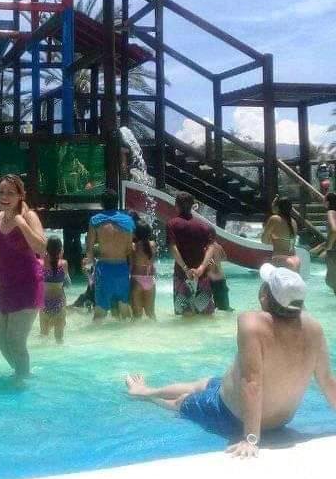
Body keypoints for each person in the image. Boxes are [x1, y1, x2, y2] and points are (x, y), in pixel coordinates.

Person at [125, 263, 336, 456]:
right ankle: (149, 390)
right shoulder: (314, 329)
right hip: (278, 420)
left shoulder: (252, 324)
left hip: (232, 417)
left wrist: (251, 438)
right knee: (207, 382)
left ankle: (146, 394)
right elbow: (327, 381)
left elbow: (252, 382)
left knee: (182, 401)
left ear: (264, 296)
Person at [0, 175, 46, 381]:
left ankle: (22, 381)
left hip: (28, 285)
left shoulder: (29, 216)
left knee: (16, 342)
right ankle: (24, 374)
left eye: (10, 193)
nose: (4, 197)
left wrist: (21, 223)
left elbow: (41, 248)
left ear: (21, 195)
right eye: (1, 192)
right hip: (5, 286)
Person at [86, 189, 134, 321]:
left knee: (100, 312)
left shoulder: (95, 220)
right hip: (122, 268)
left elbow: (89, 250)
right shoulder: (127, 220)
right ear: (117, 202)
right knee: (124, 309)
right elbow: (129, 249)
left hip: (104, 269)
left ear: (102, 204)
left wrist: (89, 269)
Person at [166, 192, 215, 316]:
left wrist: (185, 268)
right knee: (206, 314)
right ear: (192, 206)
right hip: (202, 275)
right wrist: (201, 268)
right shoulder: (204, 226)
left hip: (181, 275)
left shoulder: (172, 224)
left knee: (186, 315)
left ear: (176, 206)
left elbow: (172, 247)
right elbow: (211, 247)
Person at [40, 236, 71, 343]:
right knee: (59, 339)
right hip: (59, 303)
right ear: (60, 249)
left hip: (44, 303)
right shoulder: (64, 264)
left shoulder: (40, 264)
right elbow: (68, 284)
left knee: (43, 336)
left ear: (47, 249)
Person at [262, 196, 300, 272]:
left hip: (281, 259)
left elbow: (264, 240)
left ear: (278, 207)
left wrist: (271, 238)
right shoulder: (293, 222)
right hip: (295, 260)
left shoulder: (274, 219)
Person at [195, 234, 233, 311]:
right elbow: (224, 258)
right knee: (225, 308)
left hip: (209, 279)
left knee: (201, 308)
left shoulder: (205, 247)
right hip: (221, 279)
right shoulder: (219, 246)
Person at [130, 220, 157, 320]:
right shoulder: (153, 244)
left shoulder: (133, 246)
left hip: (137, 279)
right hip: (150, 280)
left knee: (137, 316)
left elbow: (131, 264)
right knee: (151, 314)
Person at [311, 192, 336, 294]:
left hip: (334, 251)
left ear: (328, 202)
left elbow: (334, 230)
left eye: (324, 199)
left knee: (331, 281)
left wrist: (328, 246)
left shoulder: (331, 212)